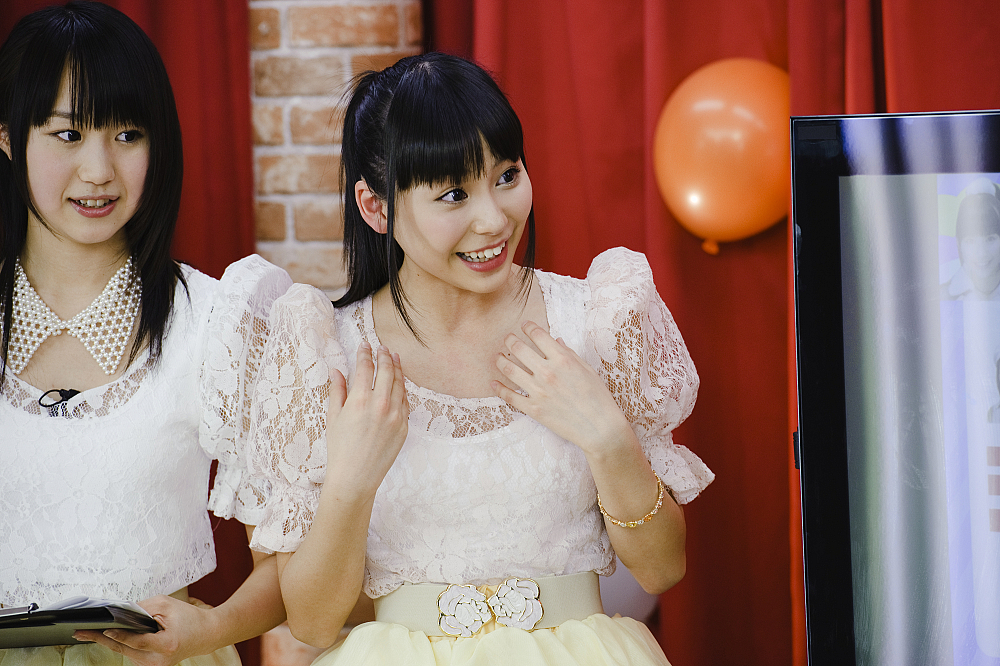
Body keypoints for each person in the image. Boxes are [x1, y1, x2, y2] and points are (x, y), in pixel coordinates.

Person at [247, 52, 714, 665]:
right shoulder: (327, 353)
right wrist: (350, 484)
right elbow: (311, 622)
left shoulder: (598, 322)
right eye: (453, 194)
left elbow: (662, 568)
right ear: (377, 207)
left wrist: (607, 436)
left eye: (507, 176)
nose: (494, 219)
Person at [0, 3, 288, 665]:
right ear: (9, 137)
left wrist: (210, 629)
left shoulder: (217, 323)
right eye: (68, 134)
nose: (99, 170)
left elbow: (290, 565)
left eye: (127, 134)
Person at [942, 190, 1000, 301]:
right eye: (970, 241)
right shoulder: (943, 297)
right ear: (958, 244)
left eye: (990, 239)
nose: (982, 253)